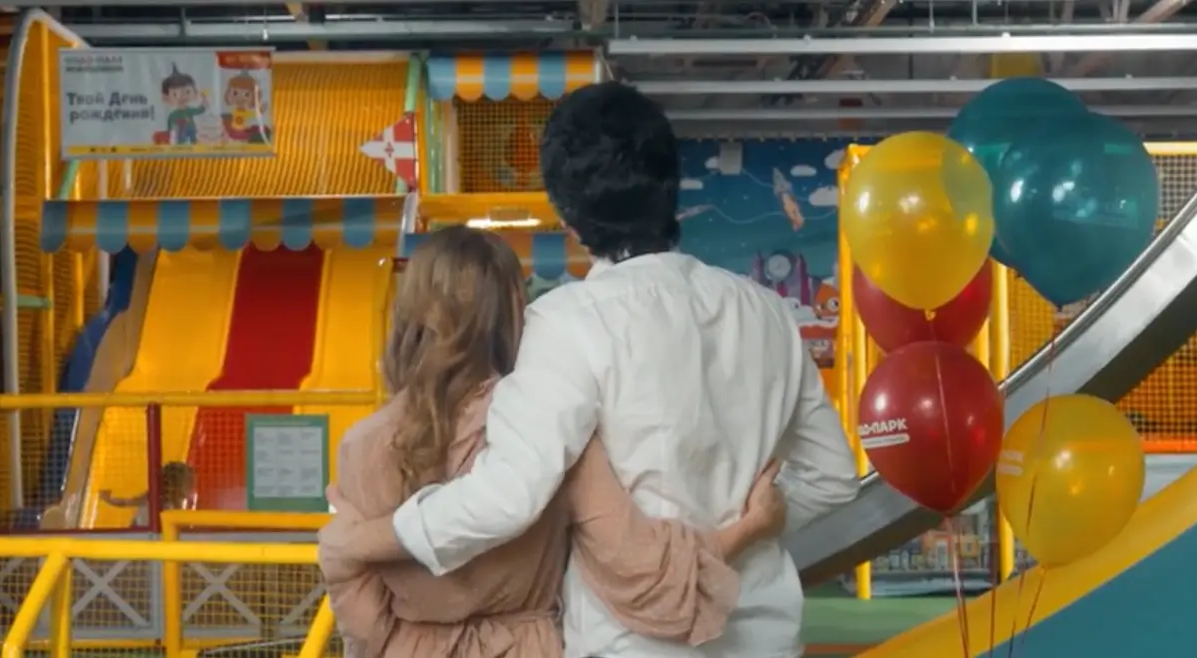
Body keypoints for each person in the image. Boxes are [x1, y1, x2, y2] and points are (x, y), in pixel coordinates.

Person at [322, 82, 860, 658]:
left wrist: (367, 540)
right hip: (764, 634)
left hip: (630, 643)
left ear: (568, 218)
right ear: (671, 188)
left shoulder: (565, 323)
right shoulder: (767, 311)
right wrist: (755, 526)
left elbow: (509, 497)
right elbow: (834, 476)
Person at [318, 227, 788, 657]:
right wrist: (750, 528)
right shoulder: (547, 421)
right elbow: (636, 566)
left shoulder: (362, 444)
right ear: (513, 312)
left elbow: (353, 591)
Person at [99, 461, 196, 528]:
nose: (193, 487)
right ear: (176, 485)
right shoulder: (155, 501)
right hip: (141, 541)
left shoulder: (174, 506)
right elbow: (126, 502)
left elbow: (126, 502)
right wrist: (108, 499)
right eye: (190, 483)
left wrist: (108, 499)